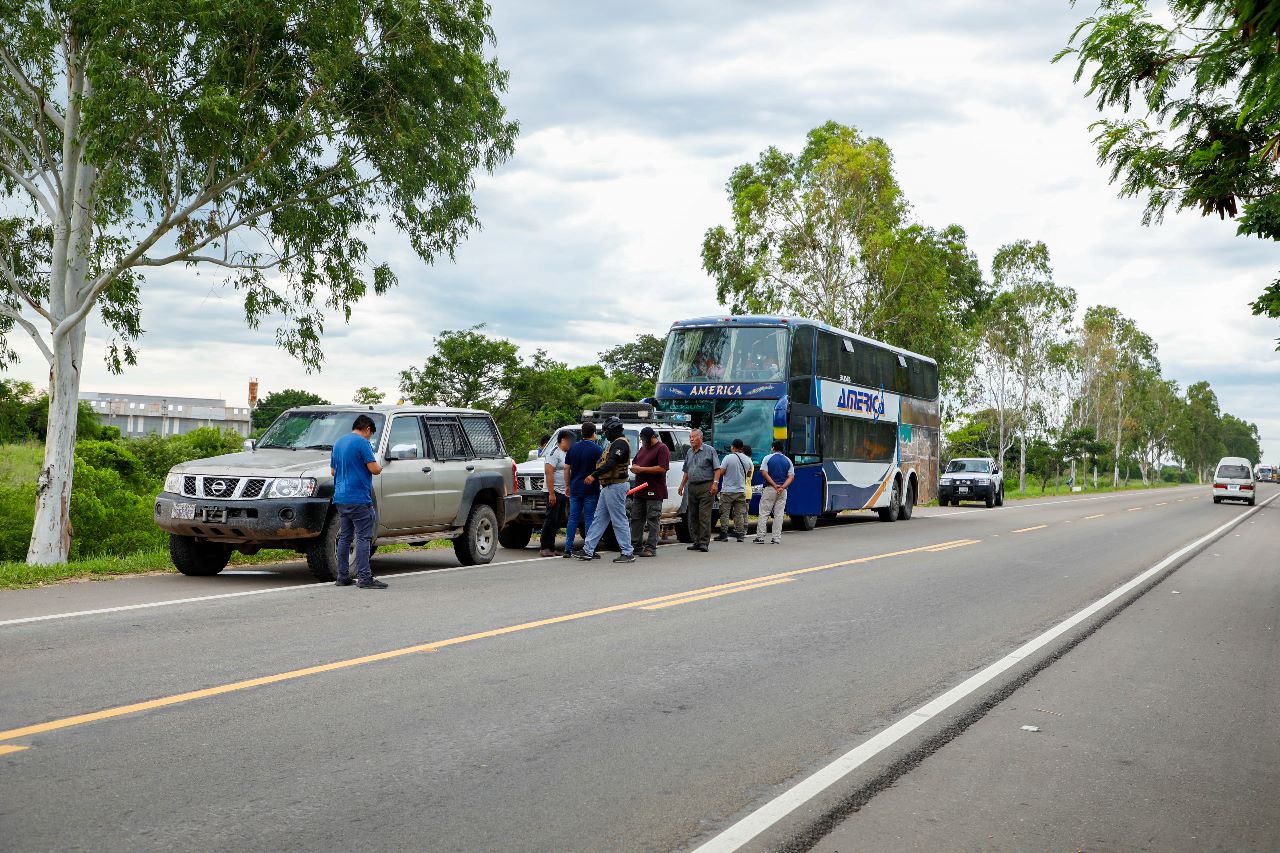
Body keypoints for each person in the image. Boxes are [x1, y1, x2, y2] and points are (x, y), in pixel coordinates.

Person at [330, 414, 386, 589]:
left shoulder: (338, 442)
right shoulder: (362, 442)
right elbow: (374, 469)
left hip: (341, 497)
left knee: (345, 537)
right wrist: (380, 467)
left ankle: (343, 576)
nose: (370, 437)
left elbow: (333, 471)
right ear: (367, 429)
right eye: (371, 433)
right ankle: (364, 577)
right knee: (363, 537)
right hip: (359, 498)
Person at [576, 417, 635, 563]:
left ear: (614, 430)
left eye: (607, 431)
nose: (605, 434)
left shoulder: (620, 444)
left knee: (619, 519)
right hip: (608, 486)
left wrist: (594, 475)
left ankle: (627, 552)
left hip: (616, 485)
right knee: (599, 518)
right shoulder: (614, 443)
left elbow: (612, 462)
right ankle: (588, 549)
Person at [629, 426, 670, 558]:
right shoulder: (643, 448)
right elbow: (636, 462)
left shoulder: (662, 448)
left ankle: (651, 548)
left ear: (653, 437)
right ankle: (636, 546)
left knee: (652, 519)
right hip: (639, 489)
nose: (643, 441)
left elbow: (662, 468)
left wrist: (641, 469)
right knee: (636, 518)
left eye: (644, 439)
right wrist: (634, 467)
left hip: (654, 489)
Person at [563, 421, 601, 558]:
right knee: (589, 518)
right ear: (594, 433)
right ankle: (589, 548)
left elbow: (566, 468)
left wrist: (567, 485)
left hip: (575, 488)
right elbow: (600, 468)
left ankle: (568, 548)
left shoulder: (573, 448)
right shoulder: (597, 450)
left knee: (573, 518)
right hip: (591, 488)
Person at [677, 428, 719, 551]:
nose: (691, 439)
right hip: (692, 486)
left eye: (693, 437)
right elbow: (686, 471)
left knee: (704, 515)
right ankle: (696, 541)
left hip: (706, 486)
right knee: (692, 515)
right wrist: (681, 485)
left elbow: (717, 469)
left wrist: (715, 484)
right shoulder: (689, 452)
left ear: (700, 438)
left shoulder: (710, 450)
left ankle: (704, 542)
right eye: (690, 437)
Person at [755, 440, 795, 545]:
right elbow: (791, 476)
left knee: (764, 513)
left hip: (770, 489)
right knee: (779, 514)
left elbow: (763, 472)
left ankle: (760, 537)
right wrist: (783, 487)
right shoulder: (788, 460)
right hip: (783, 491)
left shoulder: (767, 458)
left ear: (773, 448)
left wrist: (774, 485)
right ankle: (776, 538)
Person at [539, 431, 572, 557]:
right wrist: (551, 494)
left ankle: (551, 547)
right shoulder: (554, 452)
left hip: (563, 491)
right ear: (563, 440)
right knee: (550, 519)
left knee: (557, 520)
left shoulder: (566, 453)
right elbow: (549, 472)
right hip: (553, 491)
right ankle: (544, 547)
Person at [714, 438, 753, 542]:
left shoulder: (728, 458)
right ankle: (740, 535)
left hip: (728, 490)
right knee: (739, 514)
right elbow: (749, 474)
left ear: (733, 447)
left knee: (724, 513)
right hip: (741, 490)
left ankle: (723, 534)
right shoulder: (747, 459)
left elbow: (721, 472)